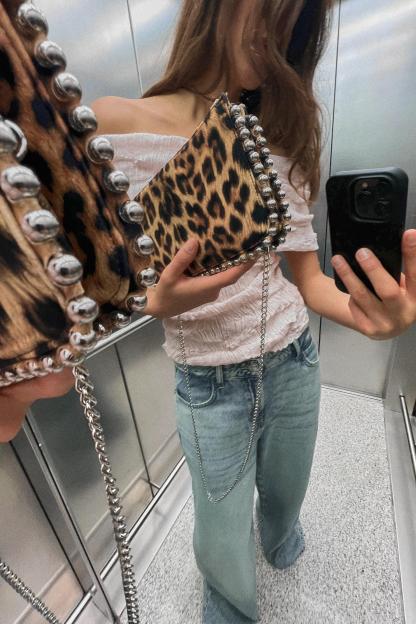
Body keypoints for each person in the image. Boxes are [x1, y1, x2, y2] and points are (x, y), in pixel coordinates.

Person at [1, 0, 416, 621]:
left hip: (295, 359)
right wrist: (152, 303)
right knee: (220, 531)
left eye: (298, 28)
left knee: (287, 486)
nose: (278, 36)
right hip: (208, 383)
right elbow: (100, 287)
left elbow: (307, 279)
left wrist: (370, 319)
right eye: (274, 12)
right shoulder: (112, 126)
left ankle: (280, 538)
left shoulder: (282, 139)